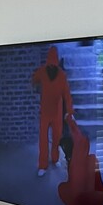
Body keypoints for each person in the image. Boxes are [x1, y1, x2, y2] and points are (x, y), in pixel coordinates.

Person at [31, 46, 73, 175]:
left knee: (56, 137)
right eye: (49, 64)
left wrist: (69, 111)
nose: (51, 67)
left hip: (57, 112)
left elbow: (67, 94)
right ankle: (42, 165)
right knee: (43, 139)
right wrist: (36, 87)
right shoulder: (42, 71)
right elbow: (34, 79)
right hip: (45, 111)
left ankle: (55, 159)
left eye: (53, 65)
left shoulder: (62, 75)